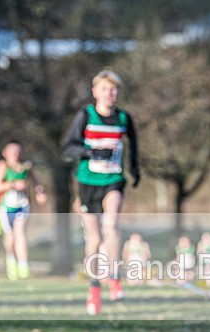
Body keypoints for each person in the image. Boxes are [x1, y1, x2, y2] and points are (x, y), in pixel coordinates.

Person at [62, 69, 140, 316]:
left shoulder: (124, 118)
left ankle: (114, 278)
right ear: (95, 92)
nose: (110, 94)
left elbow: (134, 144)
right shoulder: (86, 115)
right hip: (87, 182)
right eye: (105, 89)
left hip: (113, 179)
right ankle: (94, 288)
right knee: (94, 239)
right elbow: (67, 147)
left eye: (114, 89)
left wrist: (135, 169)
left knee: (112, 224)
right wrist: (92, 153)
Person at [0, 141, 47, 280]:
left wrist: (40, 193)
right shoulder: (2, 166)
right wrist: (13, 185)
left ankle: (23, 266)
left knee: (20, 232)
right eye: (13, 152)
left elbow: (36, 183)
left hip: (23, 204)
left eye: (18, 152)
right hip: (6, 206)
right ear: (5, 153)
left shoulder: (26, 166)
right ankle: (11, 262)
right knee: (10, 238)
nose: (16, 155)